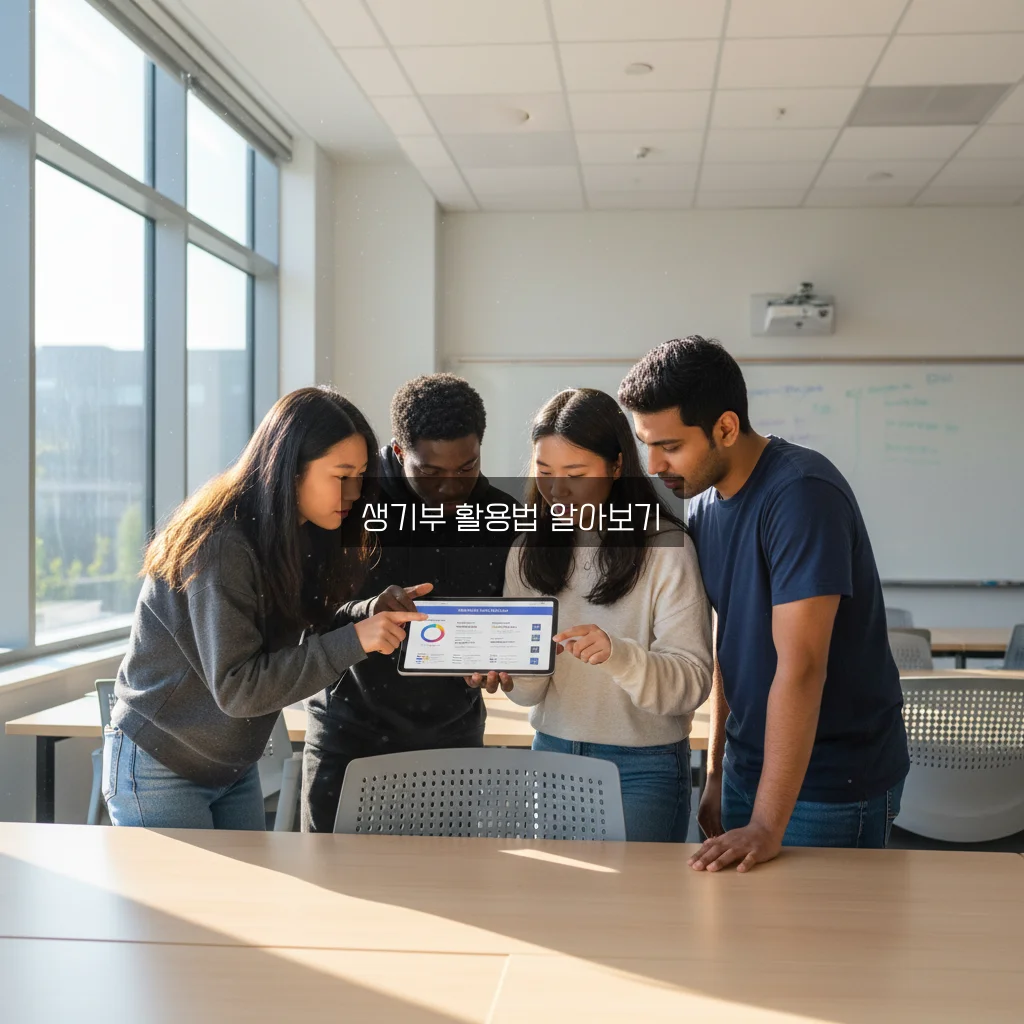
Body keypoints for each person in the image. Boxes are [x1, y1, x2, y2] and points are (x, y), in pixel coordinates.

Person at [618, 336, 910, 870]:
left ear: (726, 428)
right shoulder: (704, 504)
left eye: (671, 446)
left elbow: (802, 667)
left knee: (825, 928)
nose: (654, 464)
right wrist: (716, 772)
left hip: (829, 783)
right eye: (647, 444)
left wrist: (767, 823)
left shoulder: (802, 494)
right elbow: (728, 643)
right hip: (748, 771)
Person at [104, 386, 426, 830]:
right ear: (290, 470)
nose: (355, 490)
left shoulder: (301, 532)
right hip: (162, 763)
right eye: (341, 475)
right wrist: (355, 640)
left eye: (361, 475)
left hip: (232, 765)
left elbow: (309, 628)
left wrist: (367, 614)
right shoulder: (222, 544)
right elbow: (239, 688)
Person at [470, 388, 712, 842]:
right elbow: (529, 694)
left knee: (635, 890)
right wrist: (507, 668)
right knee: (555, 889)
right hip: (552, 755)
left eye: (576, 474)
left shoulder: (665, 547)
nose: (557, 490)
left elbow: (691, 683)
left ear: (617, 466)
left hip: (642, 768)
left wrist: (618, 655)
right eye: (544, 472)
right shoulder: (528, 548)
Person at [302, 374, 519, 833]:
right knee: (335, 877)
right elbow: (303, 621)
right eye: (432, 473)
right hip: (350, 739)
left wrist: (498, 660)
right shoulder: (347, 504)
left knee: (450, 876)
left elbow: (506, 619)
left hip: (454, 741)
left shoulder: (501, 515)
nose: (451, 488)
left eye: (466, 468)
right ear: (400, 452)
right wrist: (366, 611)